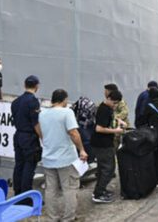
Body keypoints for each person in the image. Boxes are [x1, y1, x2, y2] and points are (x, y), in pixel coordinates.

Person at [38, 89, 88, 222]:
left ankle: (52, 217)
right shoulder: (67, 112)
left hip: (48, 157)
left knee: (50, 189)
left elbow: (41, 132)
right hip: (66, 158)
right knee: (70, 189)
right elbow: (74, 133)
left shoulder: (42, 113)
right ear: (64, 100)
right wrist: (82, 150)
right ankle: (68, 218)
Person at [10, 75, 42, 200]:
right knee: (29, 166)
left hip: (18, 135)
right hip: (29, 137)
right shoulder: (33, 101)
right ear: (37, 86)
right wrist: (42, 137)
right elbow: (35, 123)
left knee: (19, 165)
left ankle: (17, 194)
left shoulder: (16, 102)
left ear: (24, 85)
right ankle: (26, 197)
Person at [91, 90, 125, 203]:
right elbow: (99, 128)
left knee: (102, 169)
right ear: (109, 98)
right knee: (108, 169)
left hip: (105, 143)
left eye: (117, 104)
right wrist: (116, 130)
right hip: (102, 144)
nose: (115, 105)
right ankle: (98, 194)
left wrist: (119, 121)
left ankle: (100, 190)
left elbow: (111, 119)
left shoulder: (108, 108)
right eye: (114, 103)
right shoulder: (103, 110)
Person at [104, 83, 128, 175]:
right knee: (111, 153)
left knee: (114, 152)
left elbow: (125, 112)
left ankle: (112, 171)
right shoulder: (108, 101)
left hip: (118, 131)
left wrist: (113, 117)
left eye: (106, 91)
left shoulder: (120, 101)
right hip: (113, 130)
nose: (104, 93)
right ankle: (111, 171)